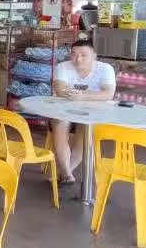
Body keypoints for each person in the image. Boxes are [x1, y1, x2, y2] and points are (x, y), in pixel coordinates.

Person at [50, 40, 116, 184]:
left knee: (86, 129)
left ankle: (66, 172)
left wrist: (83, 96)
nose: (78, 59)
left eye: (83, 55)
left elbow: (108, 94)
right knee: (60, 124)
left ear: (94, 56)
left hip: (91, 113)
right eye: (74, 54)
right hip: (63, 110)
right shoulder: (63, 67)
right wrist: (91, 95)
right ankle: (66, 173)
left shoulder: (105, 69)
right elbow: (59, 89)